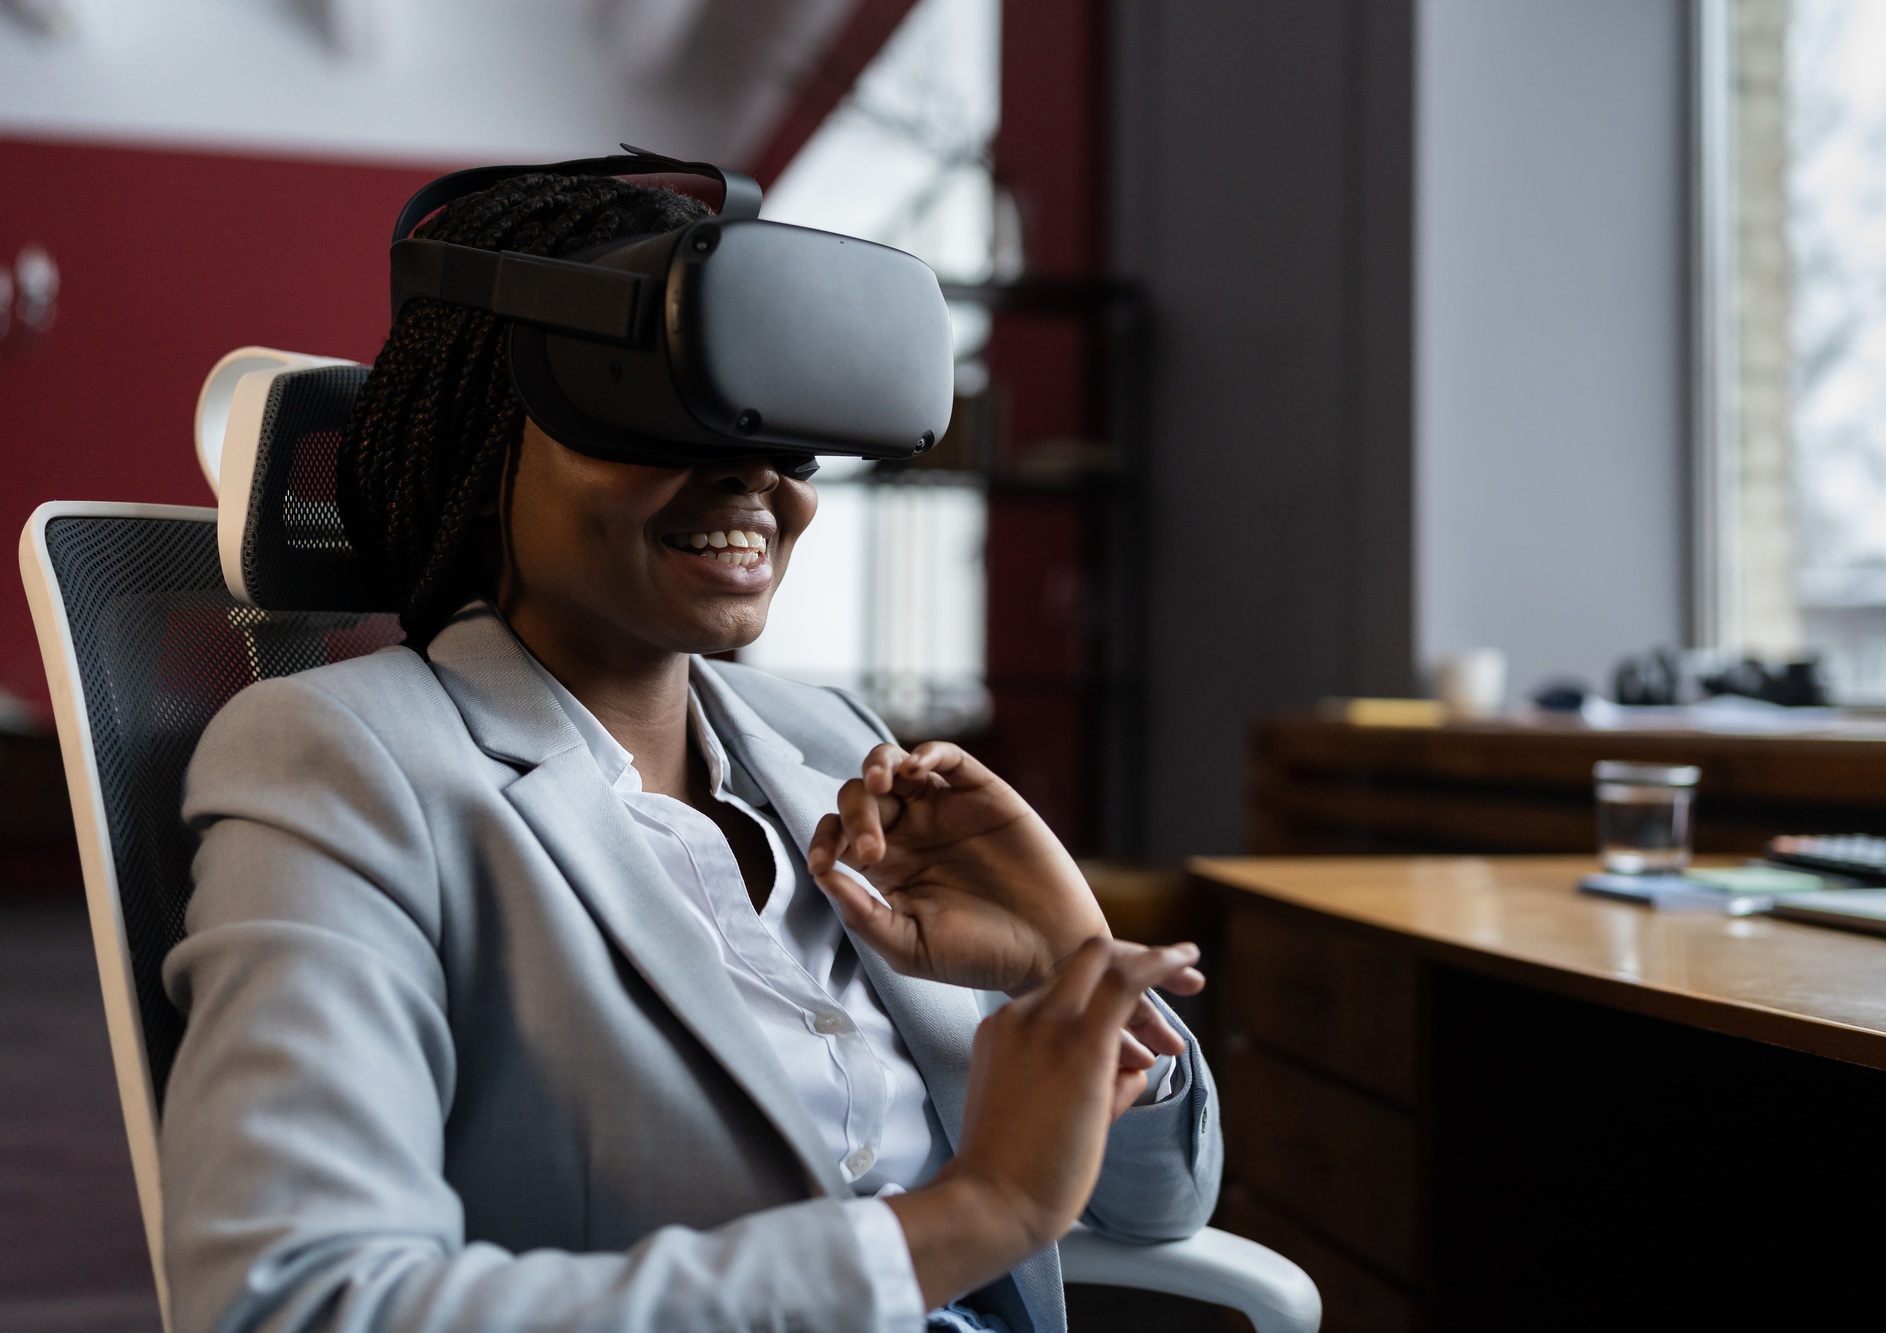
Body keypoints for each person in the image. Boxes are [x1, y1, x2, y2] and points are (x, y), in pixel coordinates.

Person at [159, 169, 1220, 1333]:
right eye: (653, 406)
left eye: (780, 429)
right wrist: (967, 1216)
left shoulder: (840, 745)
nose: (752, 475)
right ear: (484, 440)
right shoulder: (344, 761)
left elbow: (1155, 1205)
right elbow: (298, 1306)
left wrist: (1064, 965)